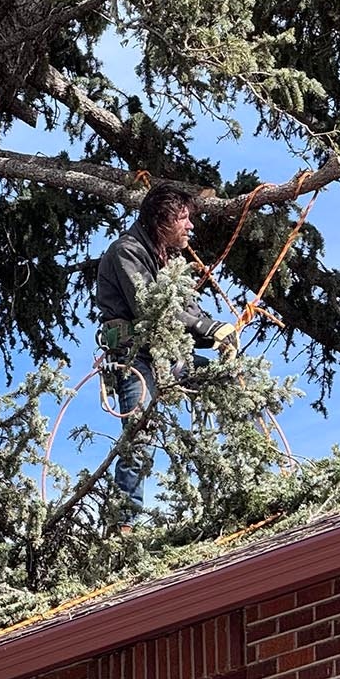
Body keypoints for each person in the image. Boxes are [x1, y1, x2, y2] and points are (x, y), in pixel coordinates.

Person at [95, 183, 237, 527]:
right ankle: (122, 526)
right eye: (184, 219)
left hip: (165, 354)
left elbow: (188, 313)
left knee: (226, 384)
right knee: (140, 435)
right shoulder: (127, 252)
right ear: (162, 220)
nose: (191, 226)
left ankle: (238, 482)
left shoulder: (167, 258)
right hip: (135, 360)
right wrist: (208, 329)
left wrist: (216, 335)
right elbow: (150, 308)